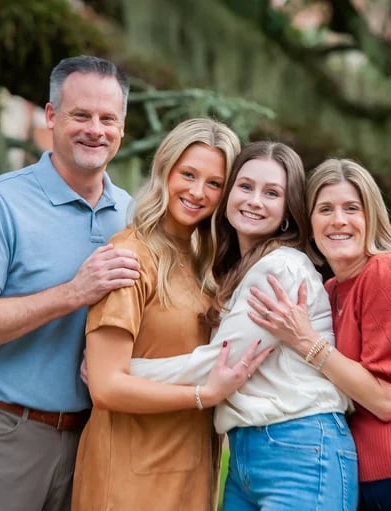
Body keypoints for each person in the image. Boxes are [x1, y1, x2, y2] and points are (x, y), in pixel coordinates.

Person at [0, 55, 141, 511]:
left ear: (122, 127)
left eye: (108, 119)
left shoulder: (133, 217)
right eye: (80, 115)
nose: (95, 130)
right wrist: (74, 293)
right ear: (50, 116)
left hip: (90, 442)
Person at [129, 141, 358, 511]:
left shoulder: (281, 267)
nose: (254, 200)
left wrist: (124, 372)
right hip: (248, 452)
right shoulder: (240, 269)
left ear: (287, 210)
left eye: (271, 193)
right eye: (246, 186)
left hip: (299, 447)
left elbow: (222, 362)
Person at [248, 158, 391, 511]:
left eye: (351, 208)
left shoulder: (385, 272)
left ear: (371, 218)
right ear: (309, 223)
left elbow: (386, 400)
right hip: (363, 482)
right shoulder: (330, 291)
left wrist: (307, 341)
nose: (338, 220)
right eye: (325, 209)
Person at [71, 119, 272, 511]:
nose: (198, 192)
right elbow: (106, 386)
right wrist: (204, 394)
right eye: (188, 175)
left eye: (214, 183)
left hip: (193, 469)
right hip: (130, 475)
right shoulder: (129, 255)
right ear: (165, 170)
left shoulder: (207, 263)